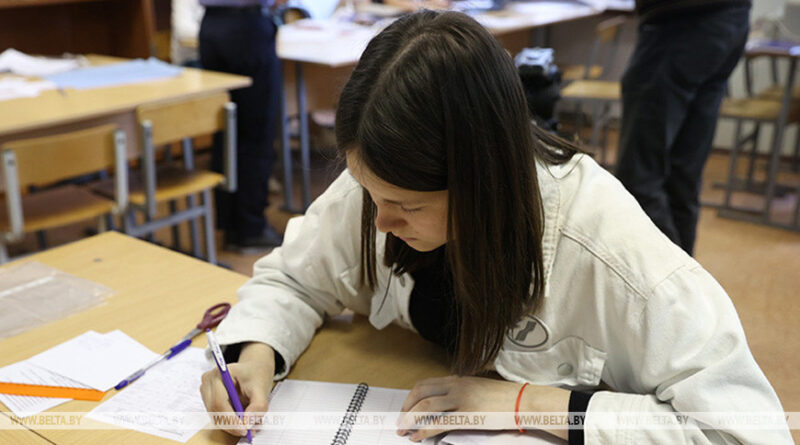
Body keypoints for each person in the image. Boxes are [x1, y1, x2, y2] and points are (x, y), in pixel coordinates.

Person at [200, 11, 791, 444]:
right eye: (371, 195)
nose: (381, 221)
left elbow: (745, 431)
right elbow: (293, 278)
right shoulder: (384, 183)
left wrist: (528, 402)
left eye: (406, 206)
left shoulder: (611, 250)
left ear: (483, 182)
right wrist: (257, 351)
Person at [615, 0, 751, 255]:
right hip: (728, 18)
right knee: (682, 179)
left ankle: (673, 274)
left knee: (638, 181)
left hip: (680, 19)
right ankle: (685, 273)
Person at [198, 0, 284, 250]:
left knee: (226, 131)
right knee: (256, 133)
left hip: (212, 25)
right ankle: (250, 228)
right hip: (246, 27)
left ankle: (230, 223)